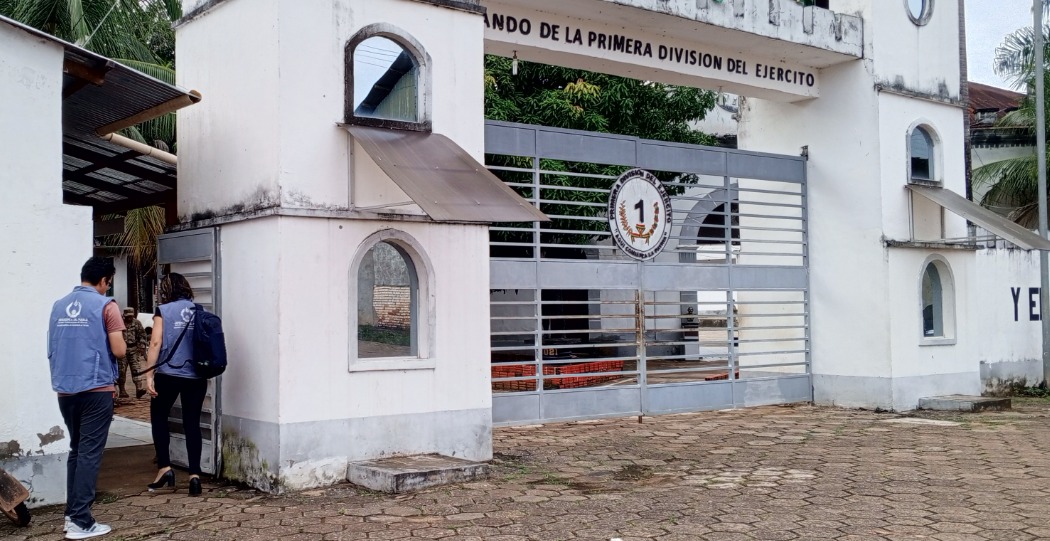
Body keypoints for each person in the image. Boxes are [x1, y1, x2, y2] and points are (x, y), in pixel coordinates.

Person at [48, 257, 126, 540]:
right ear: (104, 280)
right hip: (96, 390)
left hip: (65, 390)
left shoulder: (58, 306)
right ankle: (81, 521)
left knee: (77, 451)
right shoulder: (107, 305)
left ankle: (72, 515)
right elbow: (118, 350)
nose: (108, 287)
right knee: (89, 454)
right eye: (109, 282)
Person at [144, 273, 205, 496]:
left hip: (168, 373)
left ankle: (165, 469)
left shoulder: (164, 311)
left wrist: (149, 374)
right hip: (196, 376)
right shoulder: (198, 311)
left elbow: (156, 342)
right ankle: (195, 476)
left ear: (167, 289)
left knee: (159, 417)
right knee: (192, 423)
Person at [117, 308, 148, 399]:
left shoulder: (137, 323)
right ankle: (122, 390)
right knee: (121, 371)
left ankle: (139, 389)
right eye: (128, 316)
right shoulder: (120, 323)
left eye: (131, 316)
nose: (129, 318)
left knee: (136, 369)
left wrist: (142, 346)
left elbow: (142, 335)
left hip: (134, 349)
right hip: (122, 350)